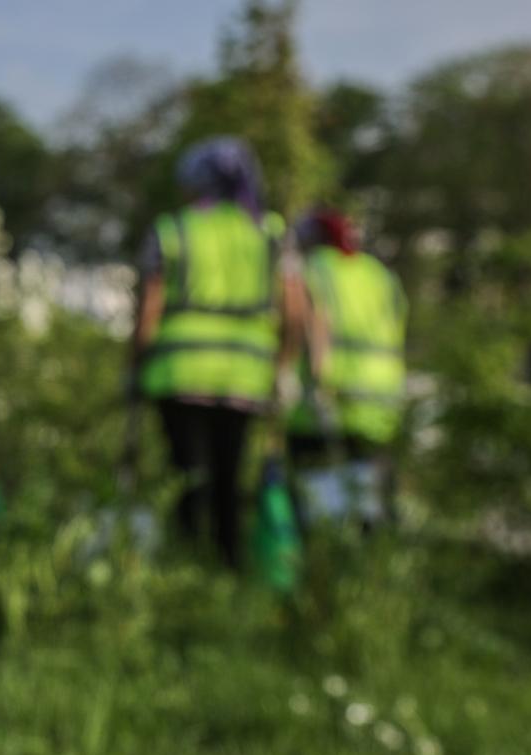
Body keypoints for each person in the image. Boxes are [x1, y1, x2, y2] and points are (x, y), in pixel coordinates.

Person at [132, 137, 304, 568]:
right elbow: (294, 311)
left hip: (179, 374)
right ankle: (230, 565)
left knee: (188, 476)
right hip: (244, 377)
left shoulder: (172, 230)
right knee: (230, 477)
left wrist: (135, 365)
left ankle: (189, 567)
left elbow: (148, 310)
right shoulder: (272, 233)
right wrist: (285, 369)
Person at [286, 208, 407, 525]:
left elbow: (316, 326)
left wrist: (313, 379)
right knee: (372, 496)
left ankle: (328, 562)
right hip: (381, 401)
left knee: (319, 498)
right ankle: (376, 560)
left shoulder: (314, 269)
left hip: (331, 399)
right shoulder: (378, 274)